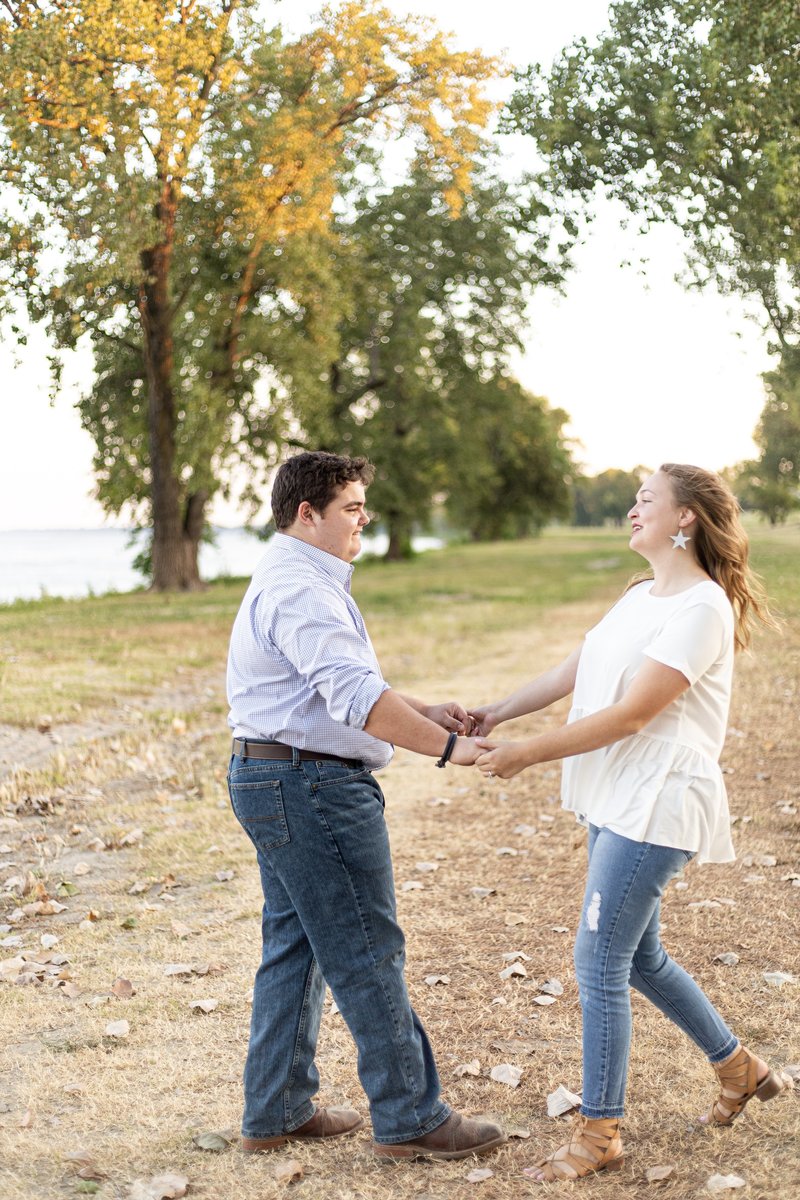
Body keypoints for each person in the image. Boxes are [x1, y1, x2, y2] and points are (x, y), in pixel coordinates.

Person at [470, 463, 785, 1183]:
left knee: (598, 961)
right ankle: (738, 1068)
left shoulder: (702, 609)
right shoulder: (640, 595)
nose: (632, 509)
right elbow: (573, 672)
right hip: (620, 794)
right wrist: (496, 713)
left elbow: (634, 713)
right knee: (638, 958)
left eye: (647, 500)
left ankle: (600, 1130)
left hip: (659, 800)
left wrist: (527, 756)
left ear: (686, 520)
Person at [226, 450, 504, 1163]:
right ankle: (411, 1116)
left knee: (297, 947)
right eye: (351, 508)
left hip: (279, 778)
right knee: (365, 950)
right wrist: (446, 748)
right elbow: (353, 700)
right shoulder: (302, 589)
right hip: (310, 788)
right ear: (306, 513)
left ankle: (276, 1109)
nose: (363, 520)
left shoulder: (295, 577)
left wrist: (423, 709)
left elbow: (330, 686)